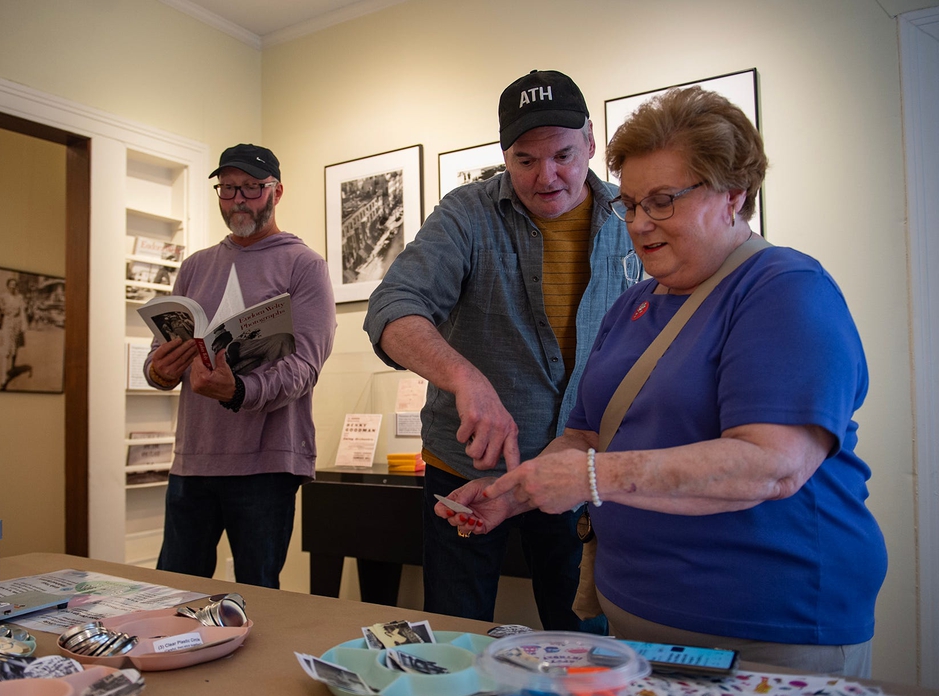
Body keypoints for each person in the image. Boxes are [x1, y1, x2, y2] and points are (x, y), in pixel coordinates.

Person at [436, 87, 886, 675]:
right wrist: (511, 495)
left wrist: (593, 477)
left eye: (664, 201)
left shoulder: (785, 290)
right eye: (630, 204)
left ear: (734, 195)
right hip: (633, 627)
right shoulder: (633, 306)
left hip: (766, 633)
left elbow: (771, 466)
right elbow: (585, 436)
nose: (641, 223)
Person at [364, 70, 635, 630]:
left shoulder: (631, 219)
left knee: (583, 634)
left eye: (562, 154)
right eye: (525, 160)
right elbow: (391, 307)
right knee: (454, 631)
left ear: (590, 140)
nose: (547, 177)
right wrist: (465, 378)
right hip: (467, 469)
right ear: (504, 155)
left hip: (578, 471)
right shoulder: (467, 213)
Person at [146, 143, 336, 588]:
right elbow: (159, 356)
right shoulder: (194, 267)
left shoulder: (304, 265)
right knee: (173, 592)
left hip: (266, 466)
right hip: (193, 462)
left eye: (251, 188)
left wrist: (238, 391)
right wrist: (160, 371)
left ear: (277, 191)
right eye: (228, 188)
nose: (238, 200)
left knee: (258, 595)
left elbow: (305, 366)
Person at [0, 277, 28, 388]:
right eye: (11, 284)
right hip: (7, 323)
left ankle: (13, 367)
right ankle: (3, 379)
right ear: (7, 286)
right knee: (6, 350)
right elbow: (1, 310)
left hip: (17, 324)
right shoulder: (3, 297)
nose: (13, 286)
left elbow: (22, 312)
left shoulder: (20, 297)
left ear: (16, 286)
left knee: (15, 348)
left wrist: (24, 324)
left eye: (14, 284)